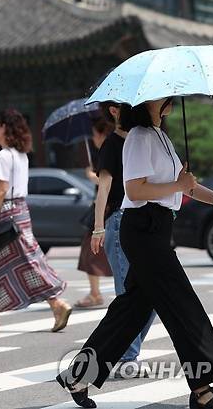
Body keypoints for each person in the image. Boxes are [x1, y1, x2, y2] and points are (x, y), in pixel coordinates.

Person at [57, 98, 213, 409]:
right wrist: (177, 183)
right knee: (181, 302)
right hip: (142, 228)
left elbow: (185, 188)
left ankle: (78, 376)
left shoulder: (161, 137)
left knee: (132, 309)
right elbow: (135, 190)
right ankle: (203, 389)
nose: (170, 98)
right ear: (147, 103)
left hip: (158, 228)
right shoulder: (138, 137)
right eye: (163, 95)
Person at [0, 108, 71, 333]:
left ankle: (56, 304)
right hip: (20, 212)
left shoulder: (4, 155)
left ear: (4, 129)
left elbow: (1, 190)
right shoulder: (21, 155)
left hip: (4, 215)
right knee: (27, 261)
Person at [89, 102, 156, 374]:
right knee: (127, 291)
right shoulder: (112, 145)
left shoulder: (144, 141)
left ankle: (127, 351)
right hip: (118, 220)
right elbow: (104, 187)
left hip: (146, 221)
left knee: (151, 293)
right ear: (114, 112)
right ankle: (128, 356)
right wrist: (97, 227)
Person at [75, 117, 112, 309]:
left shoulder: (110, 151)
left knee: (93, 251)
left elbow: (109, 181)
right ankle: (95, 292)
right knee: (91, 252)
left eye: (95, 135)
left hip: (107, 209)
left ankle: (95, 293)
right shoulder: (105, 152)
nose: (93, 139)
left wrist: (92, 175)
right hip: (104, 209)